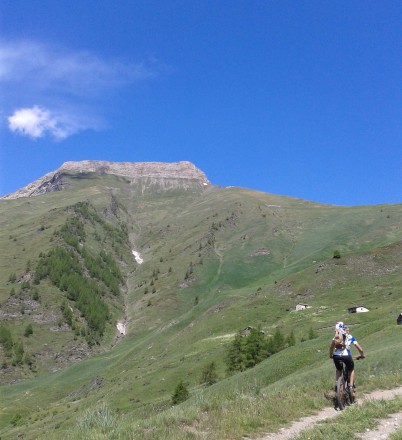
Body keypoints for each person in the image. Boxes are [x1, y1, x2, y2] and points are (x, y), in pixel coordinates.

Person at [329, 322, 365, 397]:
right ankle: (351, 387)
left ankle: (337, 385)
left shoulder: (335, 337)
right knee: (351, 370)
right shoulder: (350, 337)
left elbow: (331, 347)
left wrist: (330, 355)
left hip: (336, 356)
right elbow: (360, 349)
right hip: (346, 356)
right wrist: (361, 355)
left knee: (339, 370)